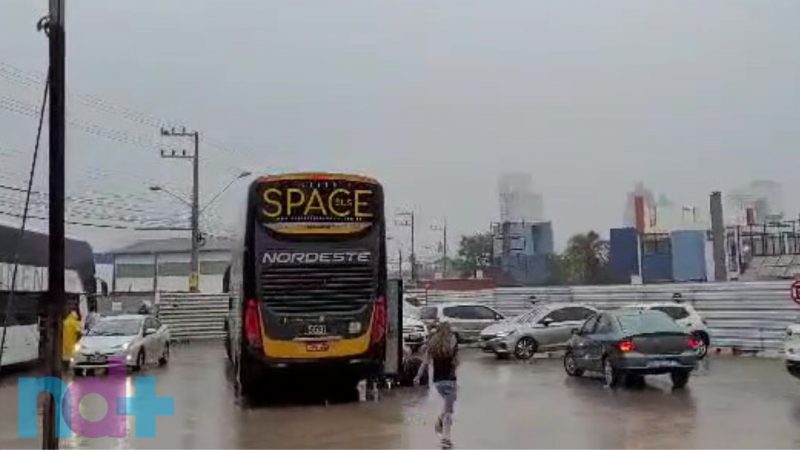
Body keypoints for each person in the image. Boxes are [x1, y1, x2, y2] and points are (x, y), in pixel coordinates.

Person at [414, 321, 458, 449]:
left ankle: (440, 420)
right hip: (450, 380)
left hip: (438, 382)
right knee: (449, 411)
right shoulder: (452, 342)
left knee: (448, 408)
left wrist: (418, 376)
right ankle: (446, 438)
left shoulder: (432, 345)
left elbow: (425, 362)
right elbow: (456, 362)